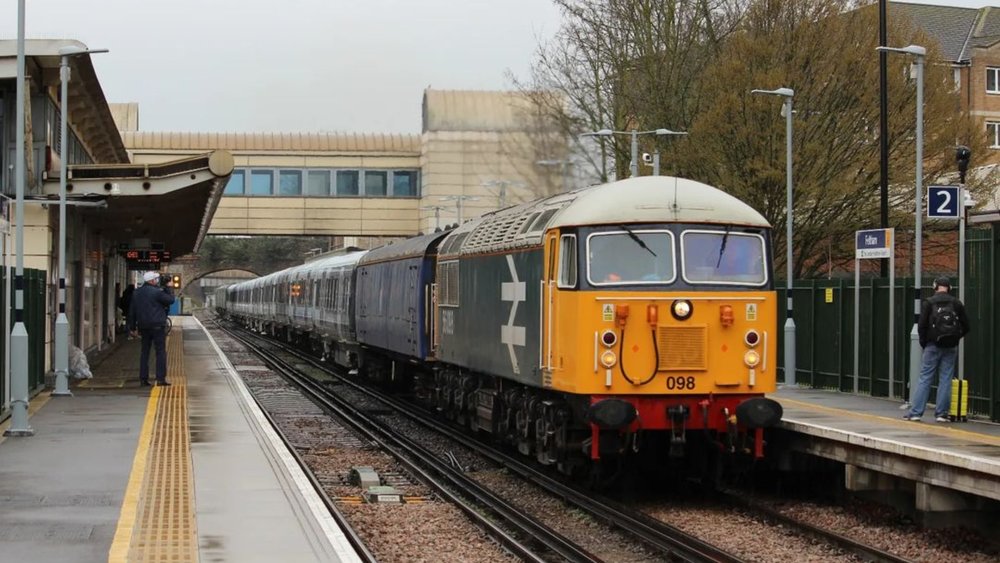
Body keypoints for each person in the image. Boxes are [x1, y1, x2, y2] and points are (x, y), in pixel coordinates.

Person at [904, 277, 970, 422]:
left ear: (935, 287)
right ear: (949, 287)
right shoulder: (956, 303)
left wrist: (925, 343)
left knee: (925, 378)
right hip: (950, 346)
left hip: (932, 345)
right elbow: (966, 326)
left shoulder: (929, 303)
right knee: (946, 378)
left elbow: (921, 326)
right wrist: (955, 338)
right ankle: (941, 414)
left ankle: (915, 413)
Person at [127, 271, 175, 387]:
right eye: (156, 279)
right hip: (158, 326)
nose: (157, 281)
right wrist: (168, 287)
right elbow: (170, 300)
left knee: (145, 352)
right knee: (160, 352)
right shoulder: (157, 293)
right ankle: (160, 379)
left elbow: (132, 312)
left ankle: (143, 379)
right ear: (152, 280)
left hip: (143, 326)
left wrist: (133, 327)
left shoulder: (136, 293)